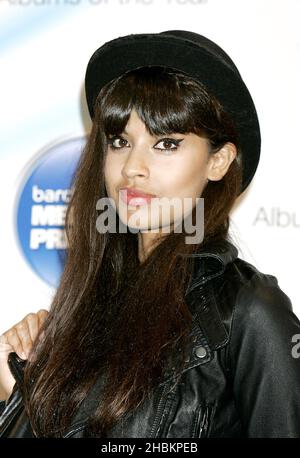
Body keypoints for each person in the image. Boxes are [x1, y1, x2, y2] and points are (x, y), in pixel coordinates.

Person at [1, 30, 300, 438]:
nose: (132, 168)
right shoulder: (86, 305)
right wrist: (19, 390)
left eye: (166, 144)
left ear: (219, 161)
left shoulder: (250, 311)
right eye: (121, 141)